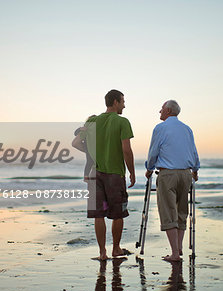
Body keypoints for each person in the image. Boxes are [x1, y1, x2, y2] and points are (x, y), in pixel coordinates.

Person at [73, 89, 136, 260]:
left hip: (95, 174)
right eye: (123, 101)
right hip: (115, 174)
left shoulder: (92, 121)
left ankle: (102, 253)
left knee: (98, 215)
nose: (124, 105)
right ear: (115, 102)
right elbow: (126, 150)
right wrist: (132, 172)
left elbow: (76, 142)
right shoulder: (122, 121)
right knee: (118, 214)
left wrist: (92, 151)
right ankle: (116, 249)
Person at [145, 100, 200, 262]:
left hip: (167, 174)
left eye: (161, 109)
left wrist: (149, 168)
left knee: (169, 212)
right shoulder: (187, 129)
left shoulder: (160, 128)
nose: (159, 111)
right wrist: (195, 170)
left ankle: (175, 253)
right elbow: (193, 151)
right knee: (181, 211)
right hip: (185, 174)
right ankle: (179, 248)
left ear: (168, 110)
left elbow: (154, 151)